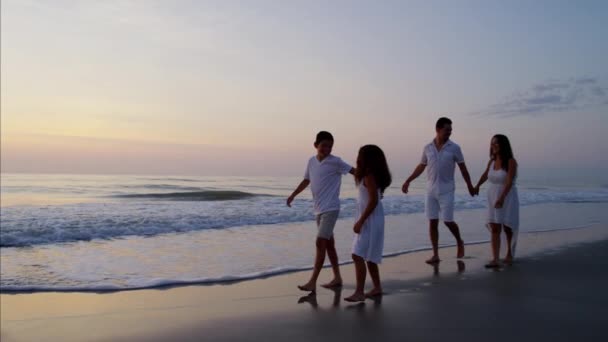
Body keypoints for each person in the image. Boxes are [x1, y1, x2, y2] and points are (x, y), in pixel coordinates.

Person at [287, 131, 355, 292]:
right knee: (329, 245)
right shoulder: (311, 161)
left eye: (330, 146)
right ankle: (337, 277)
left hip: (331, 208)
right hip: (318, 209)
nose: (327, 149)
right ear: (316, 145)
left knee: (320, 242)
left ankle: (312, 281)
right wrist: (293, 195)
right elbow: (306, 180)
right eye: (324, 145)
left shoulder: (336, 162)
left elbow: (355, 172)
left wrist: (372, 184)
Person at [401, 117, 475, 264]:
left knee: (448, 221)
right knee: (432, 222)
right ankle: (435, 254)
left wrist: (470, 186)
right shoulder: (427, 147)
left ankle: (459, 241)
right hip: (430, 191)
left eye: (451, 130)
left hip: (447, 190)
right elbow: (421, 166)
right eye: (447, 130)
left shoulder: (454, 148)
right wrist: (408, 180)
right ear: (438, 129)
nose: (450, 132)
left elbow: (463, 168)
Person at [344, 145, 392, 302]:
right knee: (369, 257)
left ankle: (359, 292)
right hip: (375, 218)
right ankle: (377, 288)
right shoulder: (369, 174)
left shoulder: (369, 176)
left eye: (360, 155)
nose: (357, 158)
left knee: (357, 254)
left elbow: (373, 201)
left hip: (370, 219)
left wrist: (360, 221)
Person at [474, 134, 519, 268]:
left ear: (503, 145)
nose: (493, 146)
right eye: (492, 143)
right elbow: (485, 174)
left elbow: (509, 182)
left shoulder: (511, 161)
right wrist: (477, 185)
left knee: (507, 226)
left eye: (496, 143)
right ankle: (495, 258)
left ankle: (509, 254)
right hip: (492, 195)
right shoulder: (491, 161)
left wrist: (502, 198)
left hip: (507, 196)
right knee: (494, 227)